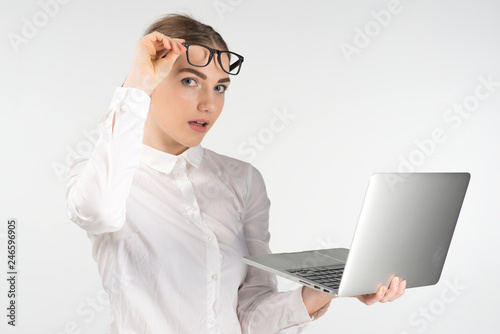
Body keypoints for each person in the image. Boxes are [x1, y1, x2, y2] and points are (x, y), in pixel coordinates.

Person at [65, 13, 406, 334]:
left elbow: (251, 315)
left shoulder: (242, 179)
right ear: (151, 80)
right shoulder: (100, 174)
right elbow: (97, 212)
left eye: (220, 87)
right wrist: (135, 85)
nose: (209, 104)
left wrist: (331, 287)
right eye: (189, 81)